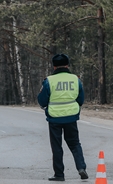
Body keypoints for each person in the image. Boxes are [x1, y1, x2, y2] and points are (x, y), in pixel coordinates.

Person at [38, 53, 88, 181]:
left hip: (55, 118)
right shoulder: (76, 80)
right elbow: (81, 99)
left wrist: (46, 107)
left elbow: (42, 100)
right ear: (67, 65)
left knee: (57, 146)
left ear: (54, 66)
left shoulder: (49, 81)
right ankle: (81, 167)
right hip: (71, 116)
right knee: (75, 143)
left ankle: (59, 174)